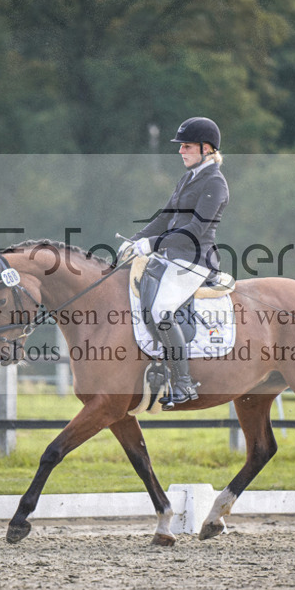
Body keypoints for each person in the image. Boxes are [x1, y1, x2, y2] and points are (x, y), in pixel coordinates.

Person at [118, 116, 229, 408]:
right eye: (181, 146)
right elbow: (165, 217)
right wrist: (135, 240)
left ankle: (183, 383)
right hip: (171, 258)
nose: (181, 151)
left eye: (187, 146)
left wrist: (151, 244)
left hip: (195, 261)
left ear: (206, 148)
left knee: (162, 310)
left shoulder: (215, 183)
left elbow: (195, 231)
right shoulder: (188, 178)